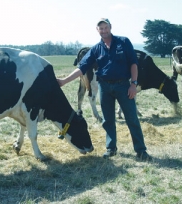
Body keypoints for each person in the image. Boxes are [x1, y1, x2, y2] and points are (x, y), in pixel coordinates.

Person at [57, 18, 152, 161]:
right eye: (101, 28)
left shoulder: (123, 42)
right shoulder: (96, 49)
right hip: (104, 87)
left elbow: (133, 63)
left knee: (132, 118)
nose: (104, 31)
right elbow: (81, 68)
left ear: (110, 27)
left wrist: (133, 84)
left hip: (123, 86)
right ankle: (111, 148)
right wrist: (64, 81)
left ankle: (141, 150)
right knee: (108, 120)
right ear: (97, 30)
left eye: (106, 27)